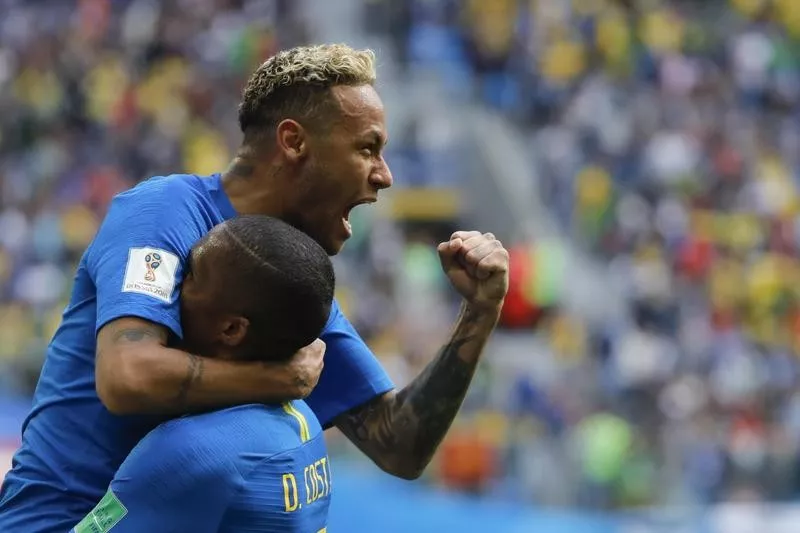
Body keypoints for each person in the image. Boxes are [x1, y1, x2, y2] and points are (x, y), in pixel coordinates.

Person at [0, 44, 509, 532]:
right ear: (293, 142)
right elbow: (128, 376)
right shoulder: (163, 215)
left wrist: (480, 313)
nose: (386, 175)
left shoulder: (288, 274)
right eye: (367, 148)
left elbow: (399, 443)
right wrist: (276, 380)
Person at [71, 214, 337, 533]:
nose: (174, 282)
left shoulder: (189, 450)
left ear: (231, 329)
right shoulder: (302, 418)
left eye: (193, 274)